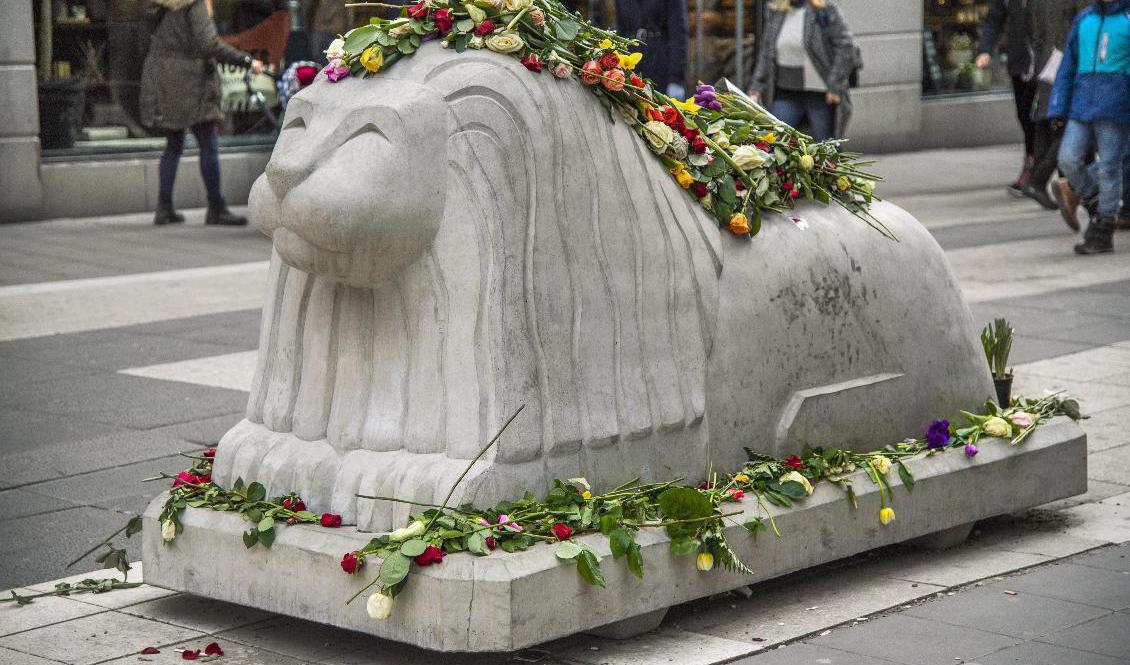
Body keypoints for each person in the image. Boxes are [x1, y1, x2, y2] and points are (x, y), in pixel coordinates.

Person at [140, 0, 264, 226]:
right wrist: (247, 61)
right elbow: (209, 44)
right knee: (208, 141)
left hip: (163, 76)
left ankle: (164, 207)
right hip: (191, 81)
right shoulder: (194, 4)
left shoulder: (160, 4)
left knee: (174, 142)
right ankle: (216, 207)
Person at [1049, 0, 1130, 254]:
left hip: (1116, 105)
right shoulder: (1085, 19)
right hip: (1082, 102)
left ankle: (1104, 225)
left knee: (1109, 167)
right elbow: (1068, 65)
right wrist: (1058, 105)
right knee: (1068, 159)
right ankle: (1097, 204)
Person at [748, 0, 857, 141]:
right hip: (785, 90)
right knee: (775, 139)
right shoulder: (776, 10)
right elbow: (766, 52)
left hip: (820, 93)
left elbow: (846, 46)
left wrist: (835, 85)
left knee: (827, 145)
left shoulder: (825, 8)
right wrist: (756, 86)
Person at [1024, 0, 1089, 219]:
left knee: (1046, 122)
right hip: (1063, 61)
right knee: (1070, 127)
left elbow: (1033, 29)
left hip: (1047, 59)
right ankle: (1045, 180)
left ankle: (1039, 180)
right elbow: (1083, 22)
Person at [975, 0, 1037, 196]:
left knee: (1041, 119)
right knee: (1024, 115)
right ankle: (1034, 165)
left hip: (1044, 64)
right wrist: (985, 50)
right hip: (1019, 63)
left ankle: (1037, 171)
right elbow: (994, 20)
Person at [610, 1, 688, 99]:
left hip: (660, 66)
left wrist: (676, 78)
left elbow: (678, 35)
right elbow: (621, 29)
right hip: (630, 64)